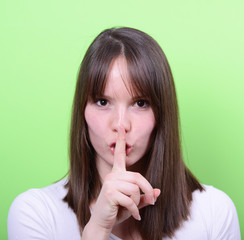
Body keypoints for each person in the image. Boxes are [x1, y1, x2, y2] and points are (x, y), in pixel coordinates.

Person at [8, 27, 241, 240]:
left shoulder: (214, 211)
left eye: (140, 103)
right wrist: (97, 230)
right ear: (82, 111)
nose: (121, 125)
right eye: (102, 101)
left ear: (161, 115)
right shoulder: (35, 213)